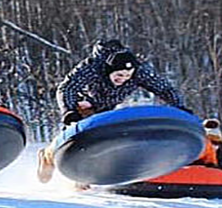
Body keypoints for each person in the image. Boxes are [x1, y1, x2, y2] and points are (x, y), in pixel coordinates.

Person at [38, 40, 189, 182]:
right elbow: (67, 88)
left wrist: (179, 107)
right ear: (109, 70)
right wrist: (69, 111)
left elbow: (164, 89)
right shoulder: (92, 67)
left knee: (102, 138)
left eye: (127, 76)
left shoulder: (140, 72)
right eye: (119, 75)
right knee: (81, 130)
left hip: (107, 107)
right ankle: (48, 157)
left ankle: (91, 173)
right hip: (83, 103)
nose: (123, 78)